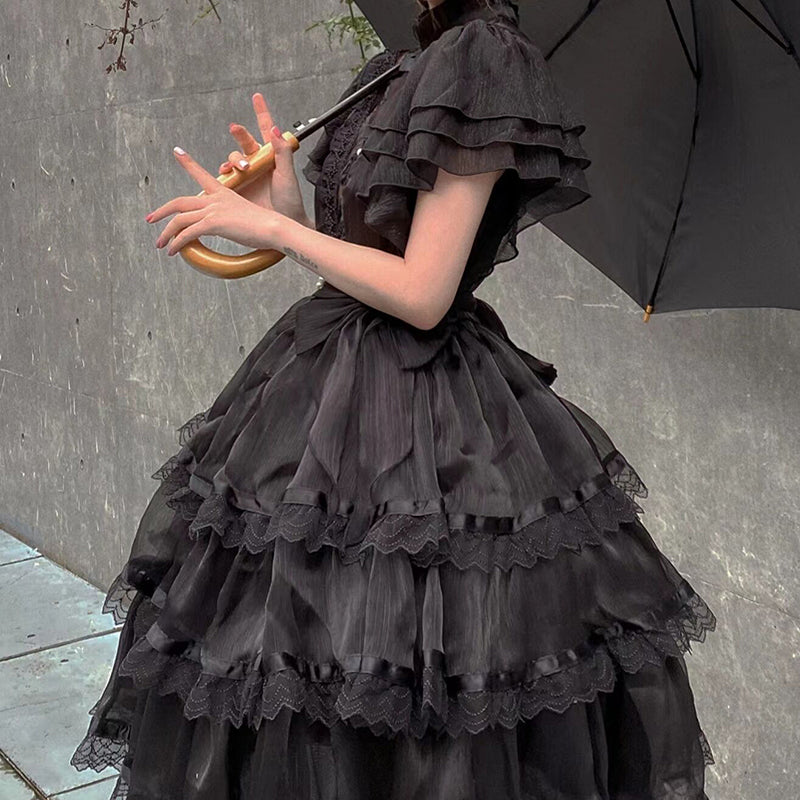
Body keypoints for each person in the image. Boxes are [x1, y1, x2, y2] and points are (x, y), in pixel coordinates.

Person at [70, 0, 718, 797]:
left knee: (420, 677)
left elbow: (423, 293)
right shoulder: (394, 70)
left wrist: (279, 234)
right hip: (322, 391)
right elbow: (368, 259)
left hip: (430, 416)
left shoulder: (484, 60)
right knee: (302, 664)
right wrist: (288, 215)